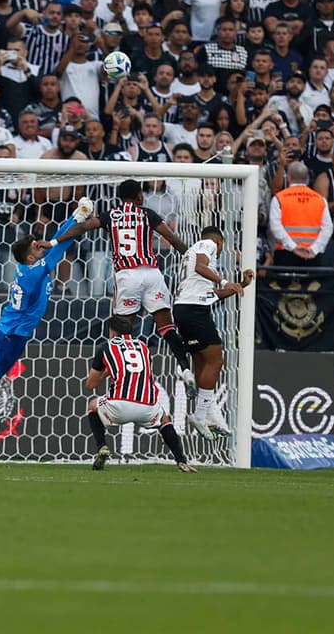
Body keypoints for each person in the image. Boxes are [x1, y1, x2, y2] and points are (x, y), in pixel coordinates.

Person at [0, 196, 99, 455]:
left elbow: (57, 242)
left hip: (11, 332)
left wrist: (77, 215)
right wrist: (77, 218)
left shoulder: (32, 265)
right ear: (31, 256)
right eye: (38, 247)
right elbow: (60, 245)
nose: (42, 246)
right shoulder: (36, 271)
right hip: (10, 336)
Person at [101, 178, 194, 385]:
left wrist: (55, 241)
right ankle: (185, 368)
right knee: (166, 327)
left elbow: (83, 227)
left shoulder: (110, 215)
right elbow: (174, 239)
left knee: (122, 330)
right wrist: (194, 258)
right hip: (152, 274)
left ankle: (118, 378)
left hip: (127, 275)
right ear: (140, 197)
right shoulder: (147, 214)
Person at [84, 315, 196, 473]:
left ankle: (102, 447)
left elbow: (91, 384)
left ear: (112, 332)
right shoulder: (143, 346)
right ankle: (181, 460)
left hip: (119, 405)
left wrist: (106, 373)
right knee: (164, 419)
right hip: (147, 407)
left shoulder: (106, 347)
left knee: (92, 405)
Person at [173, 226, 255, 441]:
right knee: (216, 360)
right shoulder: (206, 245)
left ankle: (207, 412)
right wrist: (226, 281)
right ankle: (201, 414)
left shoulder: (191, 258)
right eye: (221, 248)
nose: (219, 252)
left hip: (186, 309)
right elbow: (202, 267)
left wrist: (241, 284)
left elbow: (213, 295)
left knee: (202, 362)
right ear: (219, 243)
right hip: (194, 311)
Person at [269, 161, 331, 266]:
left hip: (286, 254)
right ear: (307, 178)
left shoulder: (279, 198)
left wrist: (293, 247)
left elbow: (275, 227)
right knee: (312, 283)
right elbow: (327, 227)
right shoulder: (320, 199)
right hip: (312, 255)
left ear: (288, 177)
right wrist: (315, 248)